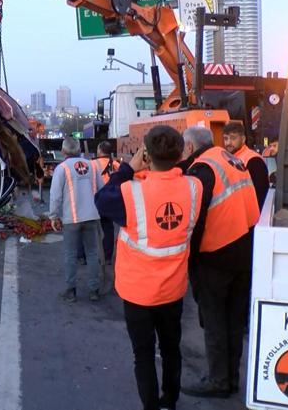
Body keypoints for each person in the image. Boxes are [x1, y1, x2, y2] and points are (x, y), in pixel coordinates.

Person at [96, 125, 203, 410]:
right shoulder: (195, 187)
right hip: (173, 289)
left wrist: (129, 168)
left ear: (146, 154)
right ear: (181, 154)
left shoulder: (130, 193)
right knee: (171, 349)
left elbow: (101, 200)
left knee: (143, 354)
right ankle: (170, 400)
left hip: (137, 293)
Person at [178, 126, 260, 398]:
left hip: (215, 255)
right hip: (244, 248)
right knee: (235, 321)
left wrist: (190, 257)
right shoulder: (230, 158)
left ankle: (217, 381)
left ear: (189, 147)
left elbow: (195, 220)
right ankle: (231, 378)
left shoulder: (201, 169)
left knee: (214, 321)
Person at [49, 137, 104, 303]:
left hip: (71, 218)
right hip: (92, 216)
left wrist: (53, 216)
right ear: (79, 149)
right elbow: (101, 190)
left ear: (63, 151)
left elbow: (55, 195)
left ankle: (71, 291)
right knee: (93, 253)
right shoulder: (92, 166)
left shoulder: (62, 168)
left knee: (70, 254)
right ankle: (94, 290)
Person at [222, 122, 269, 210]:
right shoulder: (228, 158)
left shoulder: (253, 160)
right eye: (225, 138)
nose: (228, 142)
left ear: (243, 139)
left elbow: (260, 194)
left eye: (233, 138)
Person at [93, 140, 120, 265]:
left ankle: (85, 256)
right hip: (110, 201)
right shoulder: (115, 164)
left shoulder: (92, 164)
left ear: (99, 150)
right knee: (108, 229)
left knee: (89, 229)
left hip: (95, 201)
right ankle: (107, 257)